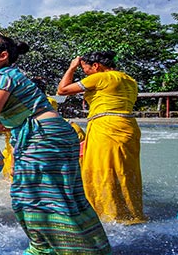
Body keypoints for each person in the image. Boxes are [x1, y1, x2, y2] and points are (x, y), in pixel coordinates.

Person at [0, 35, 111, 254]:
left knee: (37, 196)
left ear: (2, 56)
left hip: (43, 137)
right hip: (47, 136)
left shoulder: (1, 77)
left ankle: (56, 249)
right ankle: (67, 247)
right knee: (50, 195)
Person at [57, 50, 147, 224]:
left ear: (96, 66)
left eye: (85, 69)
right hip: (128, 126)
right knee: (126, 170)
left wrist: (72, 68)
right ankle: (132, 212)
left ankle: (108, 214)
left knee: (103, 169)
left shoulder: (100, 77)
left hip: (106, 126)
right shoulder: (130, 80)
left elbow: (62, 90)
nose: (85, 73)